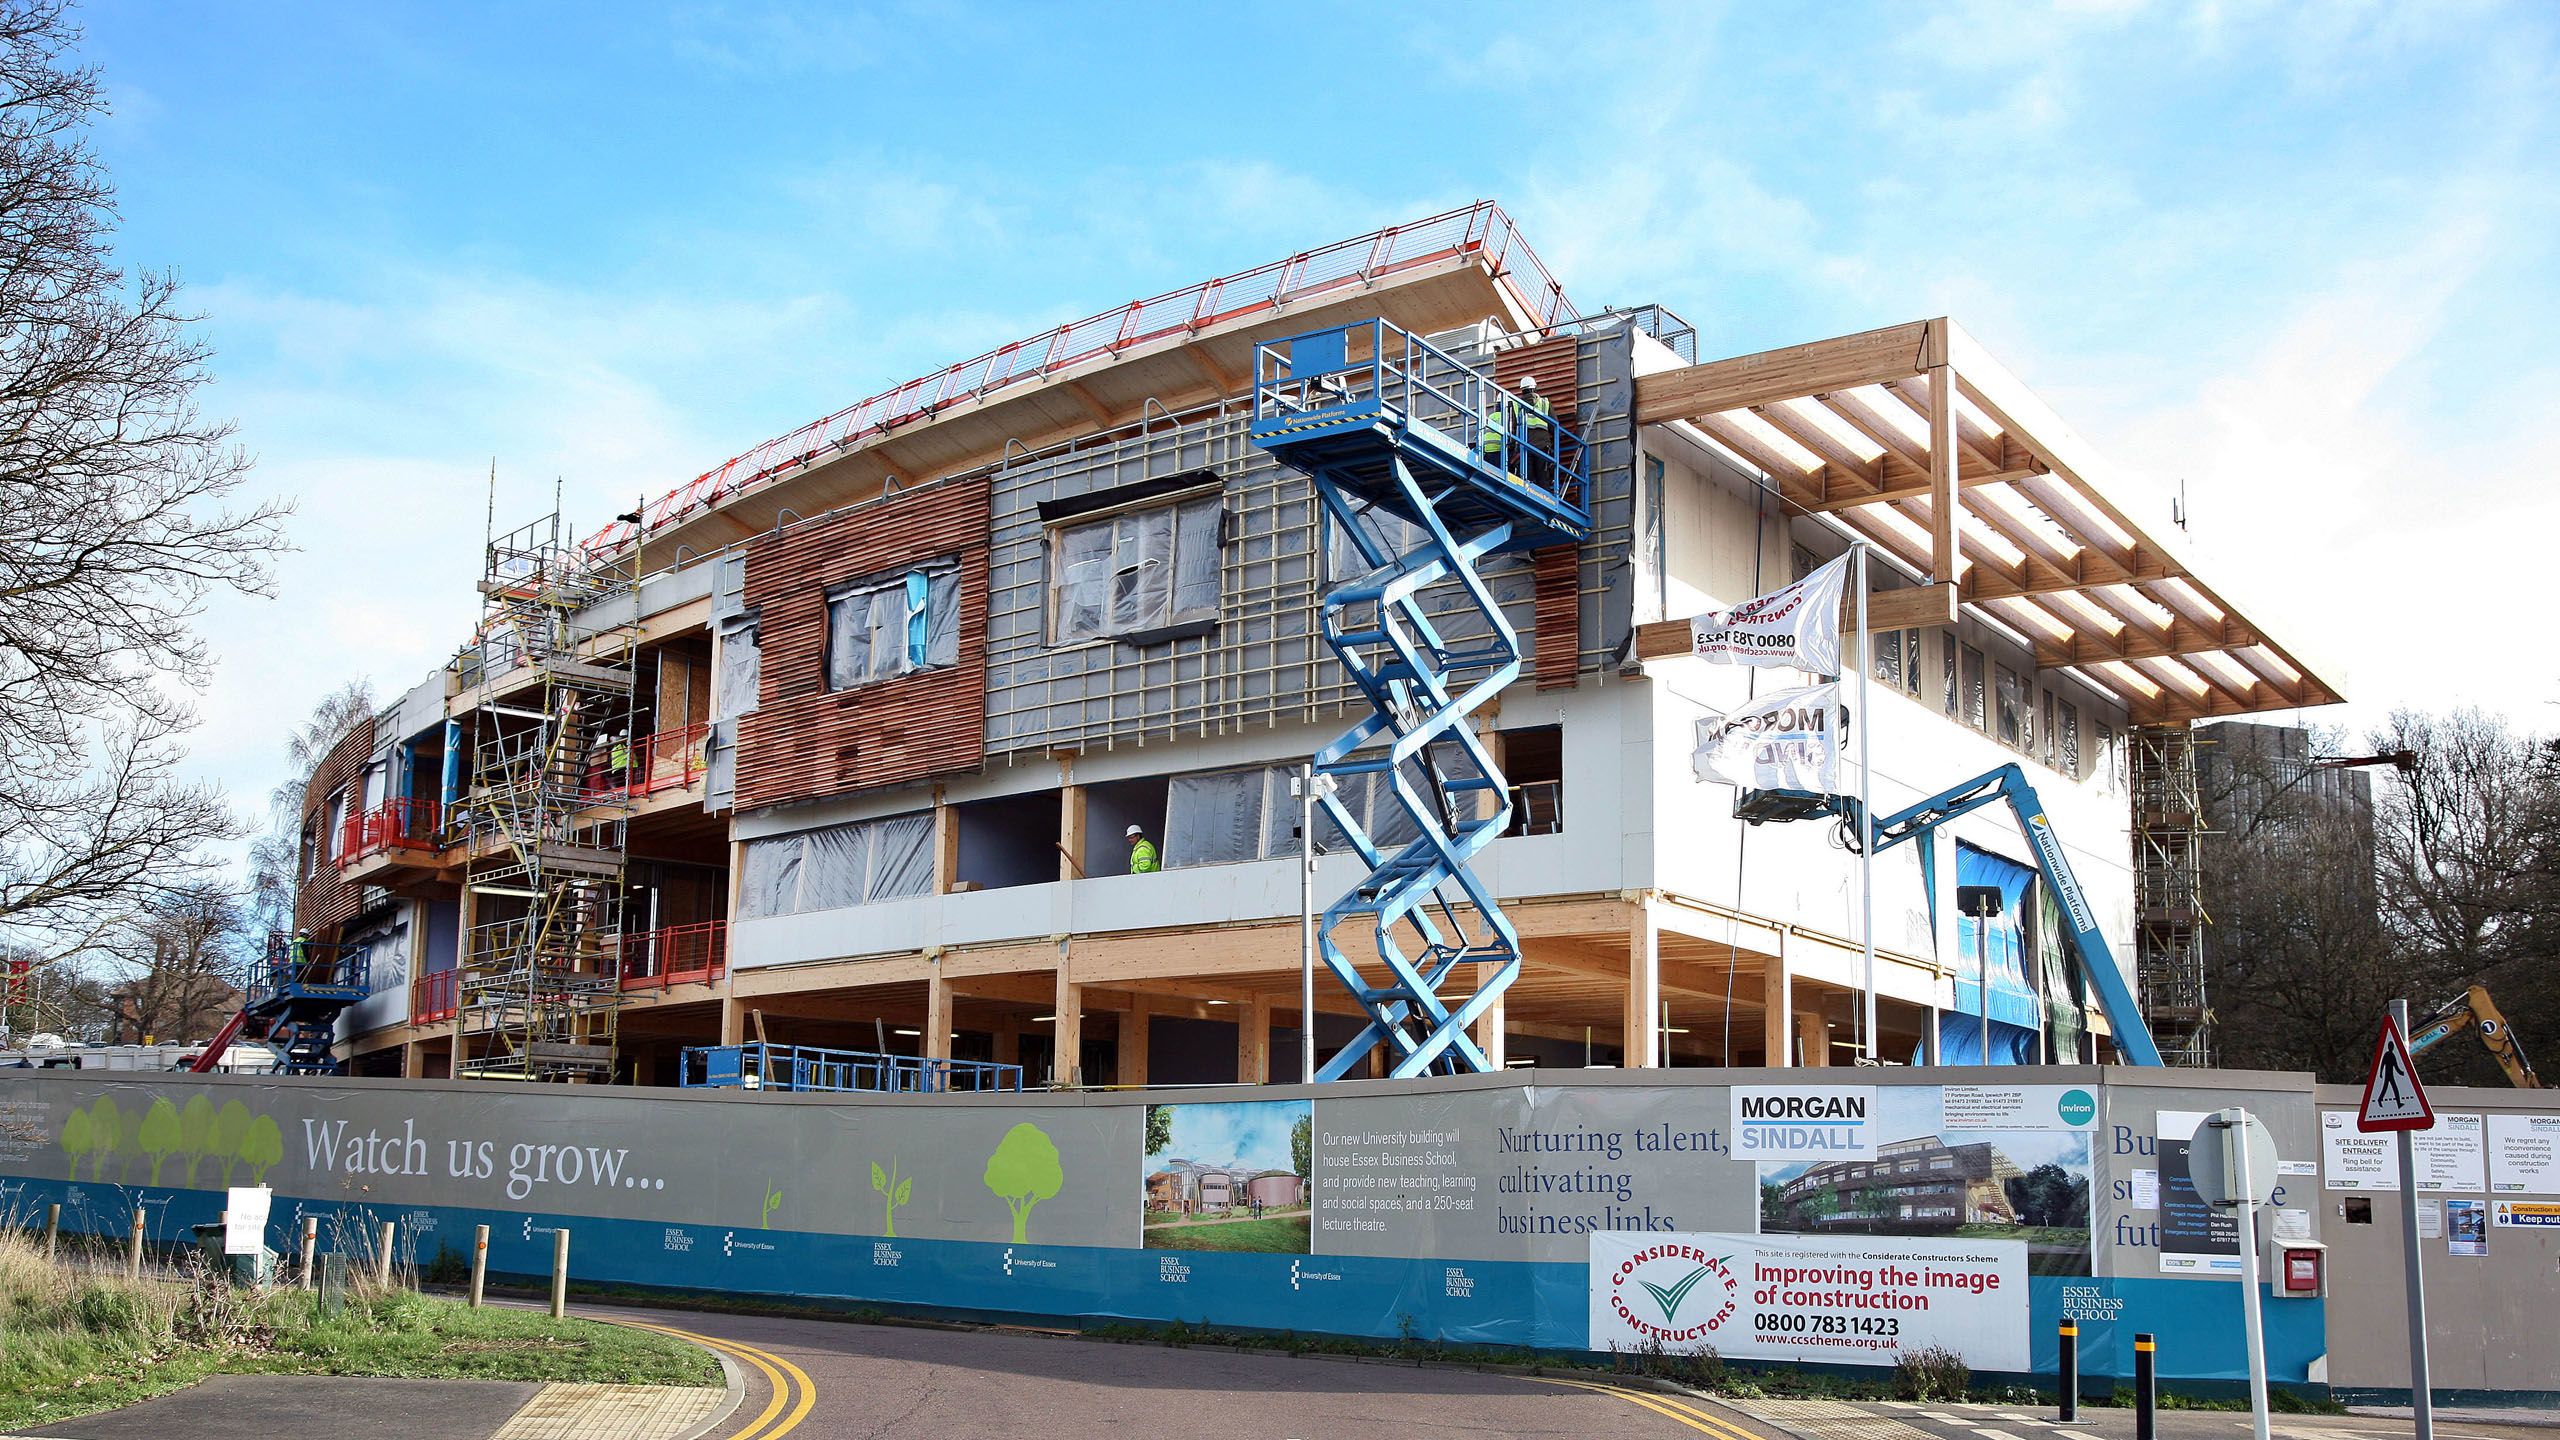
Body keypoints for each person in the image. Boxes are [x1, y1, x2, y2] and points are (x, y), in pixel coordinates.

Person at [1517, 374, 1556, 490]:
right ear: (1534, 388)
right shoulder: (1545, 403)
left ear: (1522, 389)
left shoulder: (1515, 403)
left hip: (1524, 445)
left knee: (1526, 477)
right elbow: (1554, 425)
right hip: (1542, 445)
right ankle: (1545, 498)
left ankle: (1526, 496)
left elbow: (1512, 427)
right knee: (1543, 476)